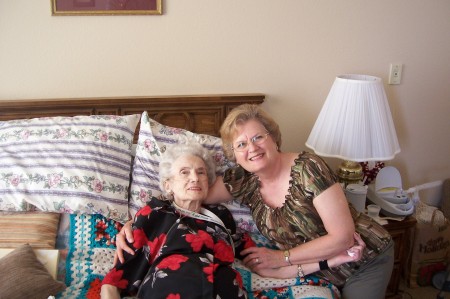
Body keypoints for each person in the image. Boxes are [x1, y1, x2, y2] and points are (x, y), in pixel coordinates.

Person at [116, 104, 383, 298]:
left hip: (363, 260)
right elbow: (189, 193)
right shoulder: (243, 180)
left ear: (273, 138)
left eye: (257, 137)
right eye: (241, 144)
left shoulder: (309, 168)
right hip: (316, 267)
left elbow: (343, 238)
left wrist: (280, 257)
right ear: (234, 153)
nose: (251, 148)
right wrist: (136, 222)